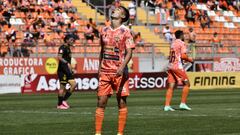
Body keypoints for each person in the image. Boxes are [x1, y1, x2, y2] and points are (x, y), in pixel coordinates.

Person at [95, 6, 135, 135]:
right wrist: (99, 68)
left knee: (121, 102)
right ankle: (97, 133)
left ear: (122, 16)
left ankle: (120, 133)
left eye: (118, 10)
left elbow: (130, 52)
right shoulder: (104, 30)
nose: (114, 10)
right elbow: (102, 50)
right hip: (105, 71)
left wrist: (122, 67)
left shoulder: (126, 32)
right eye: (114, 9)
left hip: (119, 72)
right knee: (101, 101)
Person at [164, 30, 193, 111]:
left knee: (171, 86)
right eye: (183, 35)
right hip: (177, 66)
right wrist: (190, 59)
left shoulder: (173, 43)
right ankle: (183, 103)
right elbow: (183, 56)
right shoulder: (181, 43)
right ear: (181, 35)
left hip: (170, 66)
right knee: (187, 84)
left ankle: (167, 106)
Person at [57, 35, 77, 110]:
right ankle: (59, 104)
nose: (73, 41)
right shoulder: (62, 47)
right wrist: (67, 63)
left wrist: (71, 69)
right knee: (62, 87)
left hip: (67, 70)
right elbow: (59, 57)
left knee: (74, 85)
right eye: (71, 40)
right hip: (62, 70)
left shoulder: (68, 48)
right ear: (66, 40)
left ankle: (64, 100)